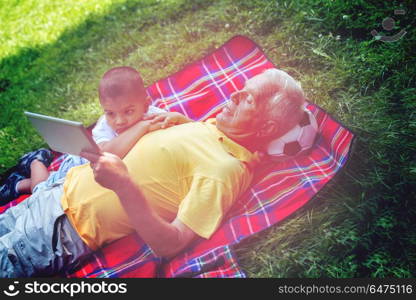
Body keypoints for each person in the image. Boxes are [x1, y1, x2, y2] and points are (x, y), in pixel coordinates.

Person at [0, 68, 306, 277]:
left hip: (63, 230)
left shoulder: (225, 170)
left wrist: (123, 186)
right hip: (55, 193)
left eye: (247, 99)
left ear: (266, 127)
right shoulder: (211, 127)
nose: (233, 96)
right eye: (241, 90)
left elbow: (170, 244)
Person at [0, 66, 175, 203]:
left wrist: (175, 118)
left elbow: (182, 126)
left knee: (47, 185)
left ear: (145, 104)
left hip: (99, 174)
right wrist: (141, 127)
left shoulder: (151, 114)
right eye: (111, 113)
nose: (119, 121)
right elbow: (106, 154)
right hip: (78, 164)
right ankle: (36, 161)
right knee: (43, 192)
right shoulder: (105, 125)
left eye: (128, 111)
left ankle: (18, 184)